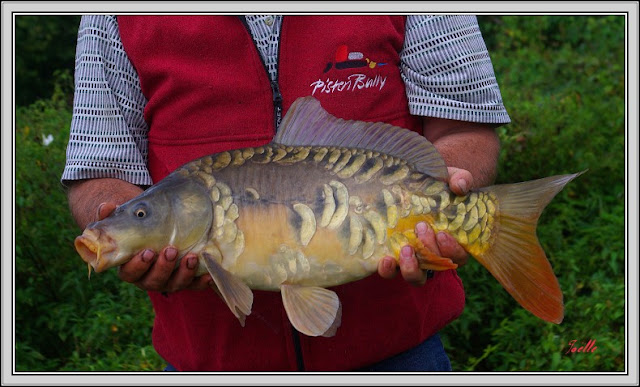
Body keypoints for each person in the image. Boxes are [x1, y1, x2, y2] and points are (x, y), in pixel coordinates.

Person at [62, 15, 510, 371]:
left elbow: (463, 123)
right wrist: (119, 219)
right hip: (208, 364)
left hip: (400, 357)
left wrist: (455, 186)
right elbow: (98, 170)